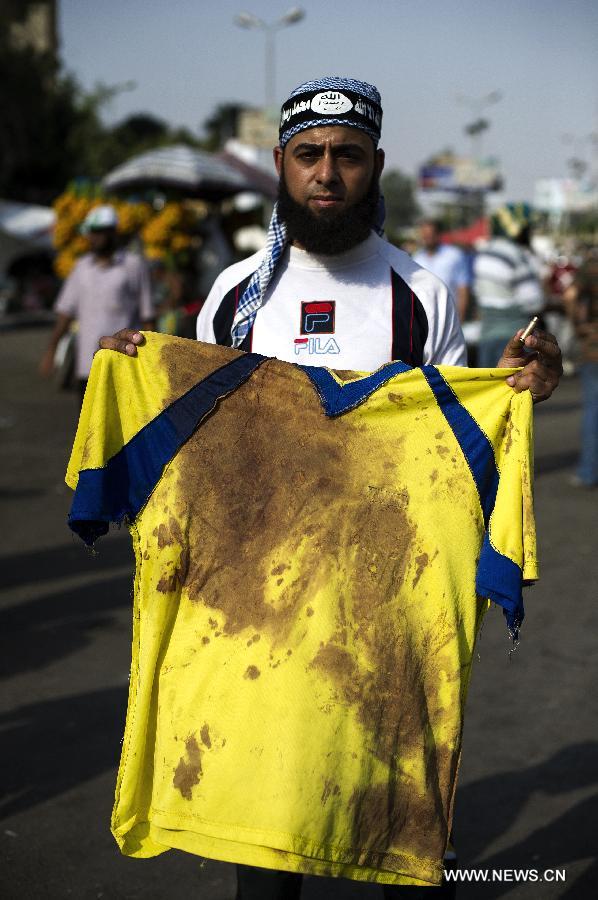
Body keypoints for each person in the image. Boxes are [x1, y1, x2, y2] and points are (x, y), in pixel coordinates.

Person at [99, 77, 562, 898]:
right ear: (280, 163)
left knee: (402, 837)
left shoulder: (420, 297)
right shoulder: (238, 295)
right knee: (264, 849)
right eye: (308, 155)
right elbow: (199, 440)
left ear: (376, 165)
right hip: (258, 611)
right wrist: (130, 365)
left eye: (347, 156)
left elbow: (458, 446)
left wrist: (526, 387)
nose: (326, 173)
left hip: (385, 605)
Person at [40, 204, 155, 403]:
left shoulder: (134, 265)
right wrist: (51, 350)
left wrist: (152, 361)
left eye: (100, 232)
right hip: (87, 364)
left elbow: (148, 316)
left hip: (125, 361)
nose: (95, 237)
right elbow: (65, 313)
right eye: (92, 232)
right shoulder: (81, 267)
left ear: (113, 233)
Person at [473, 203, 545, 368]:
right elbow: (534, 301)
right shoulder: (515, 255)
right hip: (515, 338)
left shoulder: (484, 253)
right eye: (527, 228)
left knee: (490, 389)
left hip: (487, 336)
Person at [564, 245, 598, 487]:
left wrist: (578, 326)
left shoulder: (591, 268)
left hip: (594, 347)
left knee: (594, 411)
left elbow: (570, 295)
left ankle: (589, 470)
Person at [413, 219, 471, 321]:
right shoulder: (417, 258)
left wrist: (461, 317)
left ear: (438, 234)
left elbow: (463, 288)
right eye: (425, 236)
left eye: (431, 235)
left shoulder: (454, 255)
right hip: (424, 319)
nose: (428, 238)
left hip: (450, 316)